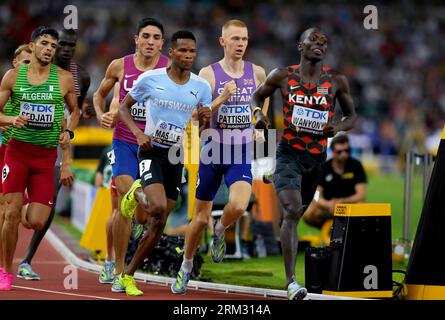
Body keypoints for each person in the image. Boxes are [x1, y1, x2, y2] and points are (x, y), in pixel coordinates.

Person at [250, 28, 357, 300]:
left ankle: (276, 179)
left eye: (323, 42)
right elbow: (257, 96)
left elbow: (351, 116)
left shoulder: (336, 81)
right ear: (301, 45)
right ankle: (291, 282)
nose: (319, 45)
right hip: (288, 152)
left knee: (300, 210)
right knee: (292, 210)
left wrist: (337, 127)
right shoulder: (282, 76)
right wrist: (256, 114)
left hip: (316, 158)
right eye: (313, 41)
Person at [171, 19, 268, 295]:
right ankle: (186, 267)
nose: (240, 44)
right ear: (222, 41)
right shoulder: (208, 74)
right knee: (199, 218)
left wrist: (259, 125)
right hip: (212, 151)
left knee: (239, 205)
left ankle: (221, 230)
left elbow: (262, 101)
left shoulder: (257, 73)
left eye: (245, 39)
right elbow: (194, 115)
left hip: (240, 151)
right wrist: (222, 98)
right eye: (235, 39)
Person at [117, 30, 212, 296]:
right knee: (156, 206)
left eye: (192, 51)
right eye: (183, 50)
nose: (188, 56)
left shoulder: (201, 86)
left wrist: (204, 119)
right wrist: (138, 134)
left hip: (175, 155)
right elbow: (123, 108)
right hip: (150, 151)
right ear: (171, 52)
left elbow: (202, 127)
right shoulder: (150, 79)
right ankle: (135, 193)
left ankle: (128, 275)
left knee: (159, 222)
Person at [0, 26, 80, 290]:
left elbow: (74, 112)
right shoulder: (12, 77)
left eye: (53, 46)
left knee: (36, 220)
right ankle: (5, 271)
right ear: (32, 45)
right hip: (18, 151)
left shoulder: (65, 79)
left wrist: (68, 131)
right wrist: (12, 119)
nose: (49, 49)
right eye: (44, 43)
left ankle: (19, 207)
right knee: (9, 214)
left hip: (45, 159)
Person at [93, 17, 169, 289]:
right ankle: (118, 269)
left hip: (155, 147)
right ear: (135, 39)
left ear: (162, 43)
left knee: (143, 213)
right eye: (145, 36)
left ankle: (139, 210)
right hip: (124, 141)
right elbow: (98, 96)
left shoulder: (169, 68)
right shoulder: (119, 66)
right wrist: (102, 115)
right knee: (125, 200)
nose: (150, 42)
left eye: (156, 37)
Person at [17, 28, 90, 281]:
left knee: (49, 205)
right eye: (63, 45)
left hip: (57, 144)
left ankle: (26, 259)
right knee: (12, 204)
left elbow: (76, 111)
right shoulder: (33, 64)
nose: (66, 49)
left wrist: (70, 134)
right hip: (23, 140)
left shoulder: (80, 76)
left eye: (71, 45)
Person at [303, 134, 367, 228]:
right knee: (308, 212)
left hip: (349, 207)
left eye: (347, 150)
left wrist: (342, 202)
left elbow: (361, 195)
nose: (344, 154)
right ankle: (328, 230)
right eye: (339, 151)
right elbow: (316, 196)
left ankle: (350, 231)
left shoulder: (356, 166)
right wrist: (328, 204)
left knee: (362, 207)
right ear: (333, 152)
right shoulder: (323, 168)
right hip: (328, 208)